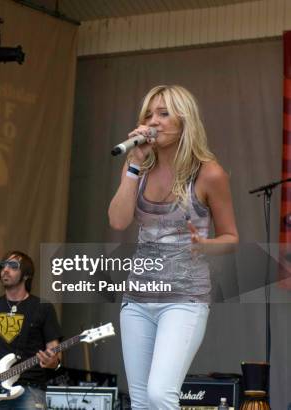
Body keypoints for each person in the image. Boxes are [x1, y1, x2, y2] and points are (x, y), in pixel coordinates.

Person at [108, 85, 239, 409]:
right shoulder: (138, 167)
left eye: (164, 113)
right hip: (137, 299)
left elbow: (231, 238)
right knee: (140, 402)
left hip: (183, 299)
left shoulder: (209, 174)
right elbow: (118, 221)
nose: (154, 121)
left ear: (185, 120)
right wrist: (134, 166)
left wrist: (205, 245)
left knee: (159, 393)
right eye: (149, 114)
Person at [0, 250, 63, 409]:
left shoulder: (43, 308)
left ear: (26, 275)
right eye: (3, 266)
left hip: (30, 388)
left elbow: (55, 353)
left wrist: (52, 362)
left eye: (13, 266)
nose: (5, 270)